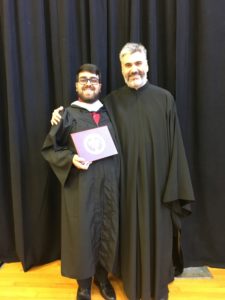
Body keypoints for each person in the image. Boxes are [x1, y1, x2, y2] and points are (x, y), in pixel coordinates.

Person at [51, 43, 195, 300]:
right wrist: (59, 116)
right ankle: (121, 278)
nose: (134, 69)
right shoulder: (109, 104)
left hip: (157, 186)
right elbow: (84, 123)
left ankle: (157, 277)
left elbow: (176, 146)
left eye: (138, 63)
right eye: (128, 65)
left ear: (147, 65)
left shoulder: (164, 99)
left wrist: (174, 187)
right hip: (122, 188)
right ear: (121, 69)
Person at [42, 64, 120, 300]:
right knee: (82, 232)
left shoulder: (111, 112)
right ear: (76, 85)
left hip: (109, 185)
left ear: (100, 85)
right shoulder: (66, 114)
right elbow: (50, 149)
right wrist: (70, 158)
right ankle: (84, 284)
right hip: (81, 185)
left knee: (107, 230)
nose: (88, 83)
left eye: (93, 80)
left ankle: (103, 278)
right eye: (83, 79)